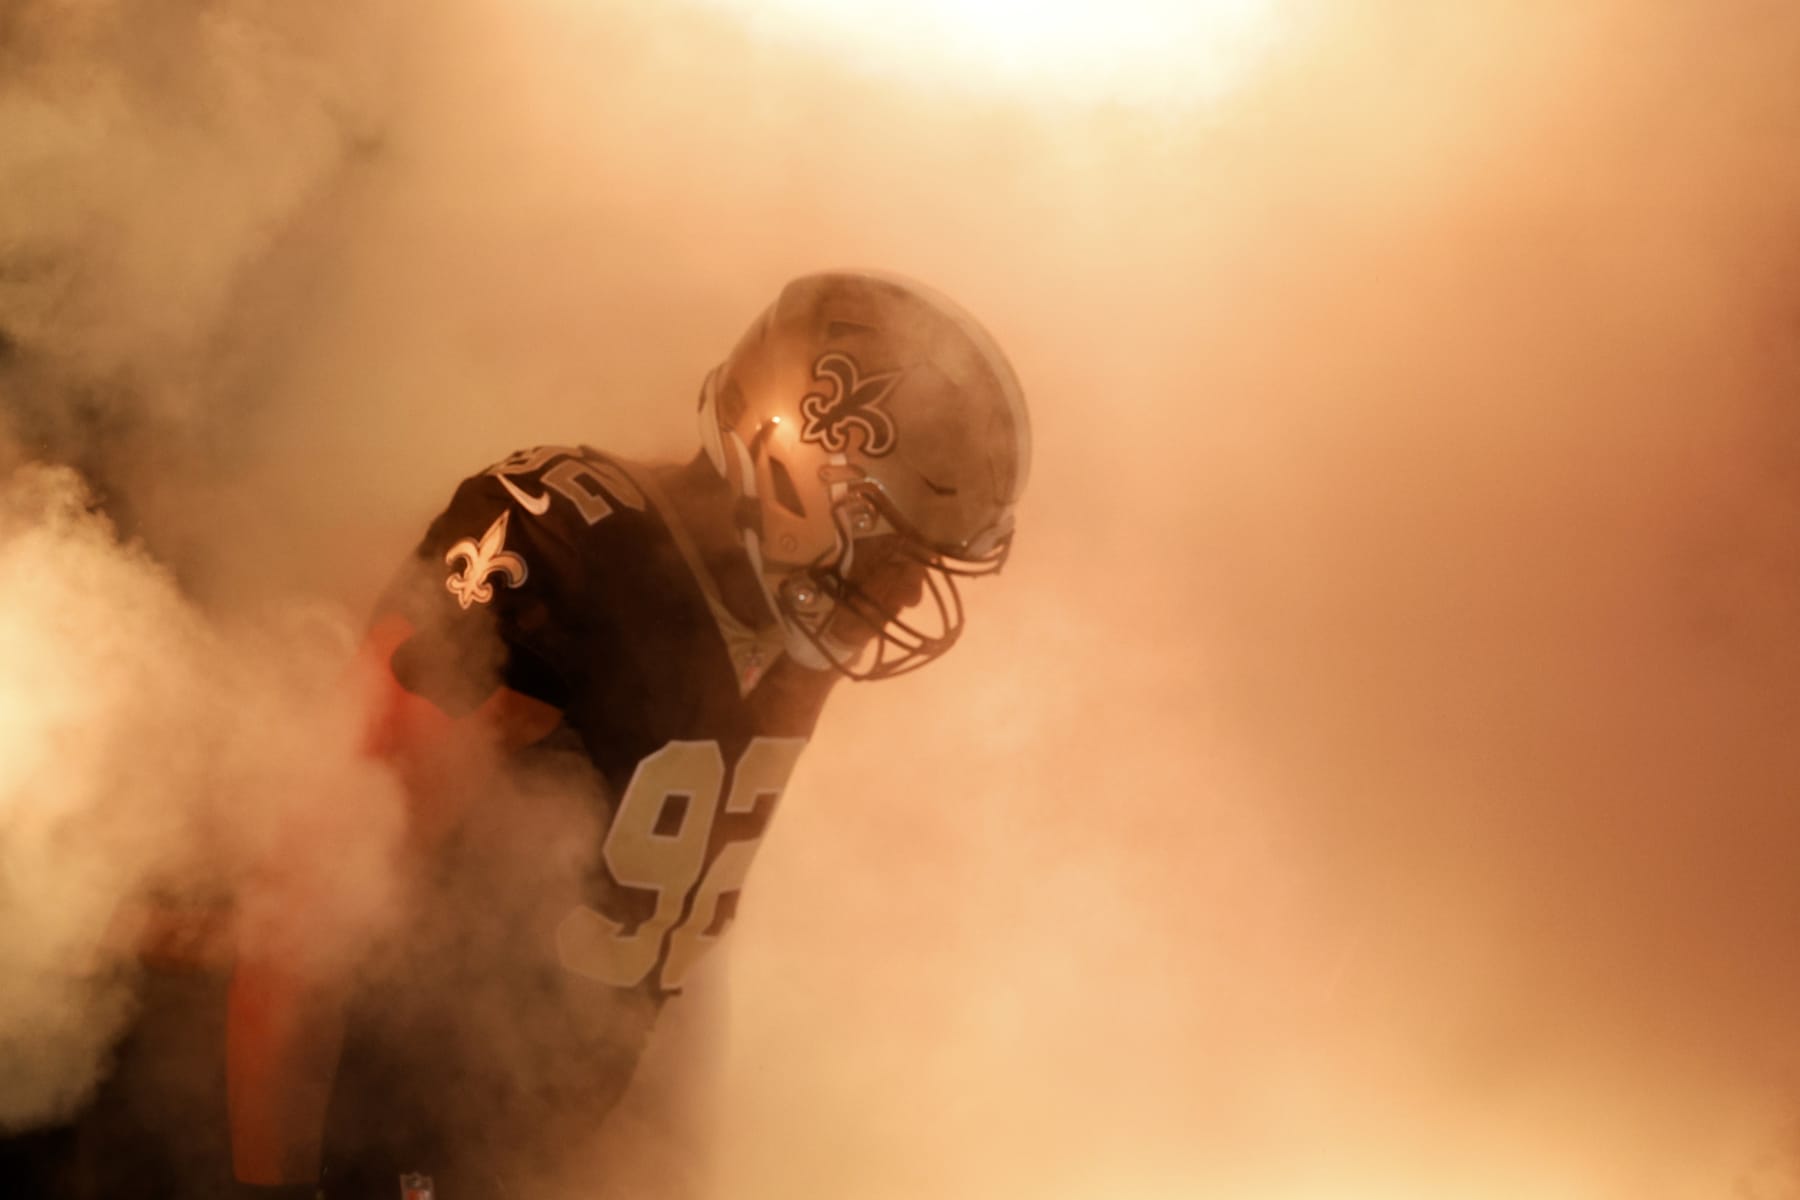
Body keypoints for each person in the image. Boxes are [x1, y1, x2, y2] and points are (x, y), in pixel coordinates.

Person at [224, 270, 1032, 1199]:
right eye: (893, 551)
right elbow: (314, 896)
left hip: (551, 1150)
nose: (905, 593)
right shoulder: (560, 548)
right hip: (399, 1139)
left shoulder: (784, 631)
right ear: (798, 478)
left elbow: (667, 934)